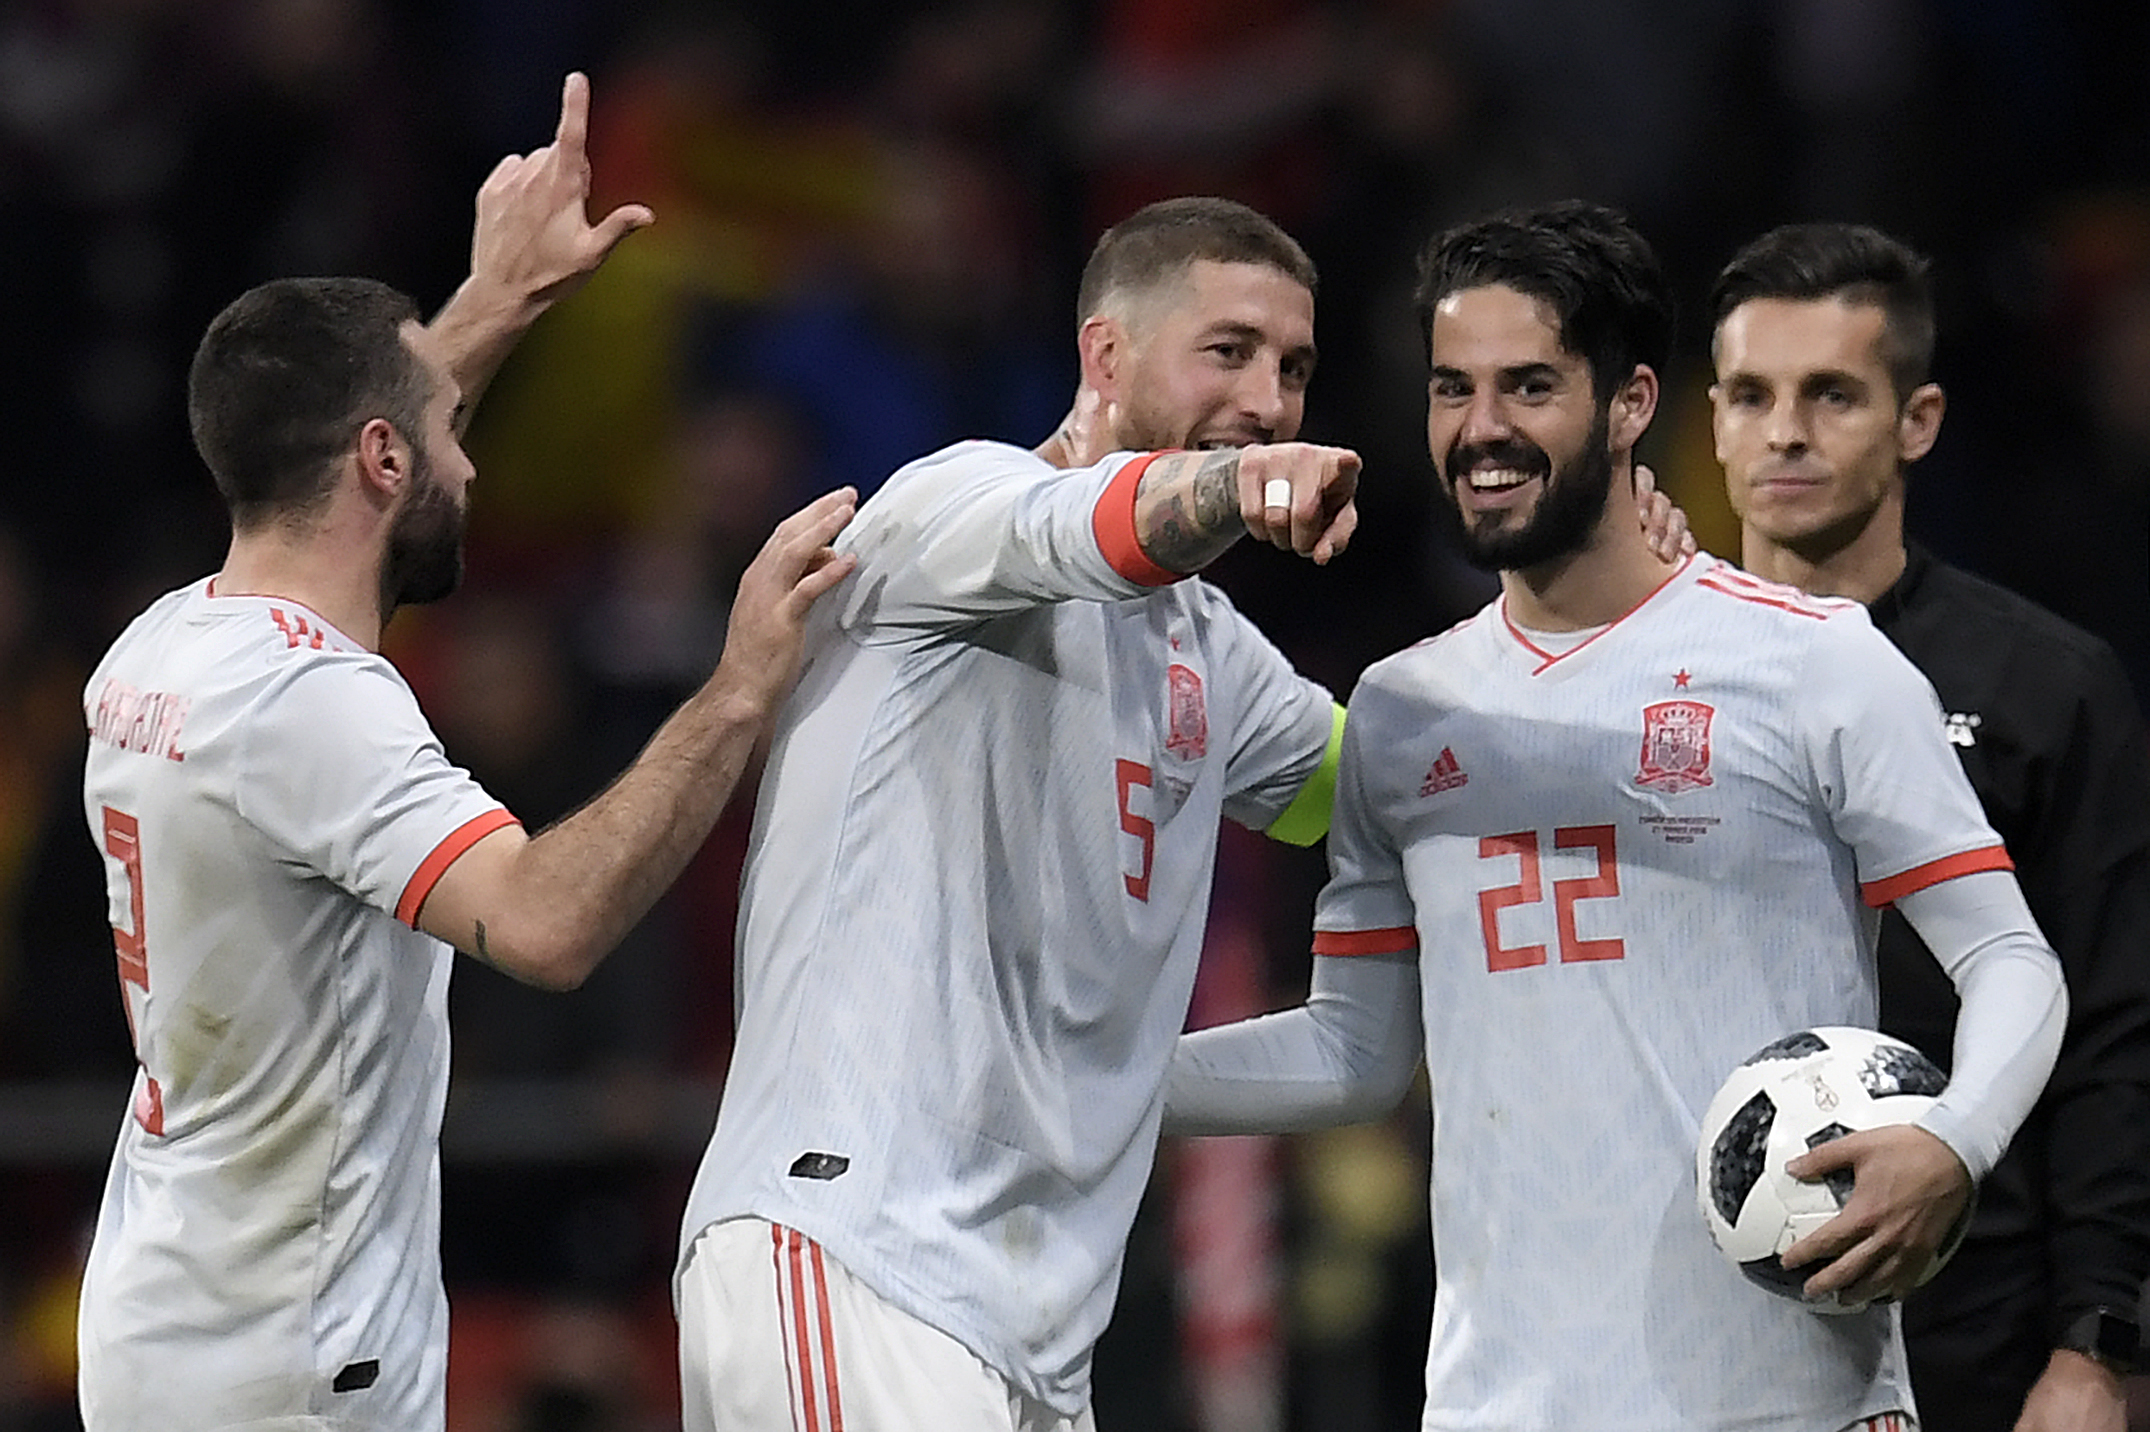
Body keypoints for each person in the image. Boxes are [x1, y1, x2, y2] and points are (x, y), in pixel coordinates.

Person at [671, 195, 1695, 1432]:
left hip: (1027, 1333)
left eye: (1293, 370)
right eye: (1228, 352)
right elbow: (1093, 526)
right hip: (853, 1249)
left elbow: (1417, 789)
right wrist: (1236, 484)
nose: (1266, 400)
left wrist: (1631, 616)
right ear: (1104, 356)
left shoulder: (1202, 650)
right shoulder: (947, 512)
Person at [1160, 200, 2070, 1431]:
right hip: (1496, 1407)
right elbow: (1350, 1052)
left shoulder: (1816, 664)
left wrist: (1952, 1140)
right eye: (1451, 388)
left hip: (1786, 1404)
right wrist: (1083, 1078)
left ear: (1630, 401)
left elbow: (2008, 957)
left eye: (1528, 385)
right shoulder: (1398, 710)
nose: (1481, 429)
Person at [75, 74, 859, 1432]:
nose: (475, 466)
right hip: (293, 1359)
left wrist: (497, 300)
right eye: (446, 435)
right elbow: (545, 925)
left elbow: (371, 450)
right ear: (384, 458)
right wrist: (739, 688)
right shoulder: (314, 705)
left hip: (168, 1313)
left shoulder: (163, 644)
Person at [1708, 221, 2150, 1432]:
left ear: (1917, 421)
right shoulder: (1643, 684)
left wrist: (2093, 1346)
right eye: (1749, 395)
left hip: (1973, 1333)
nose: (1783, 431)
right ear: (1710, 420)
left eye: (1829, 394)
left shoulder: (2045, 688)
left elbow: (2117, 1031)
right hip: (1687, 1334)